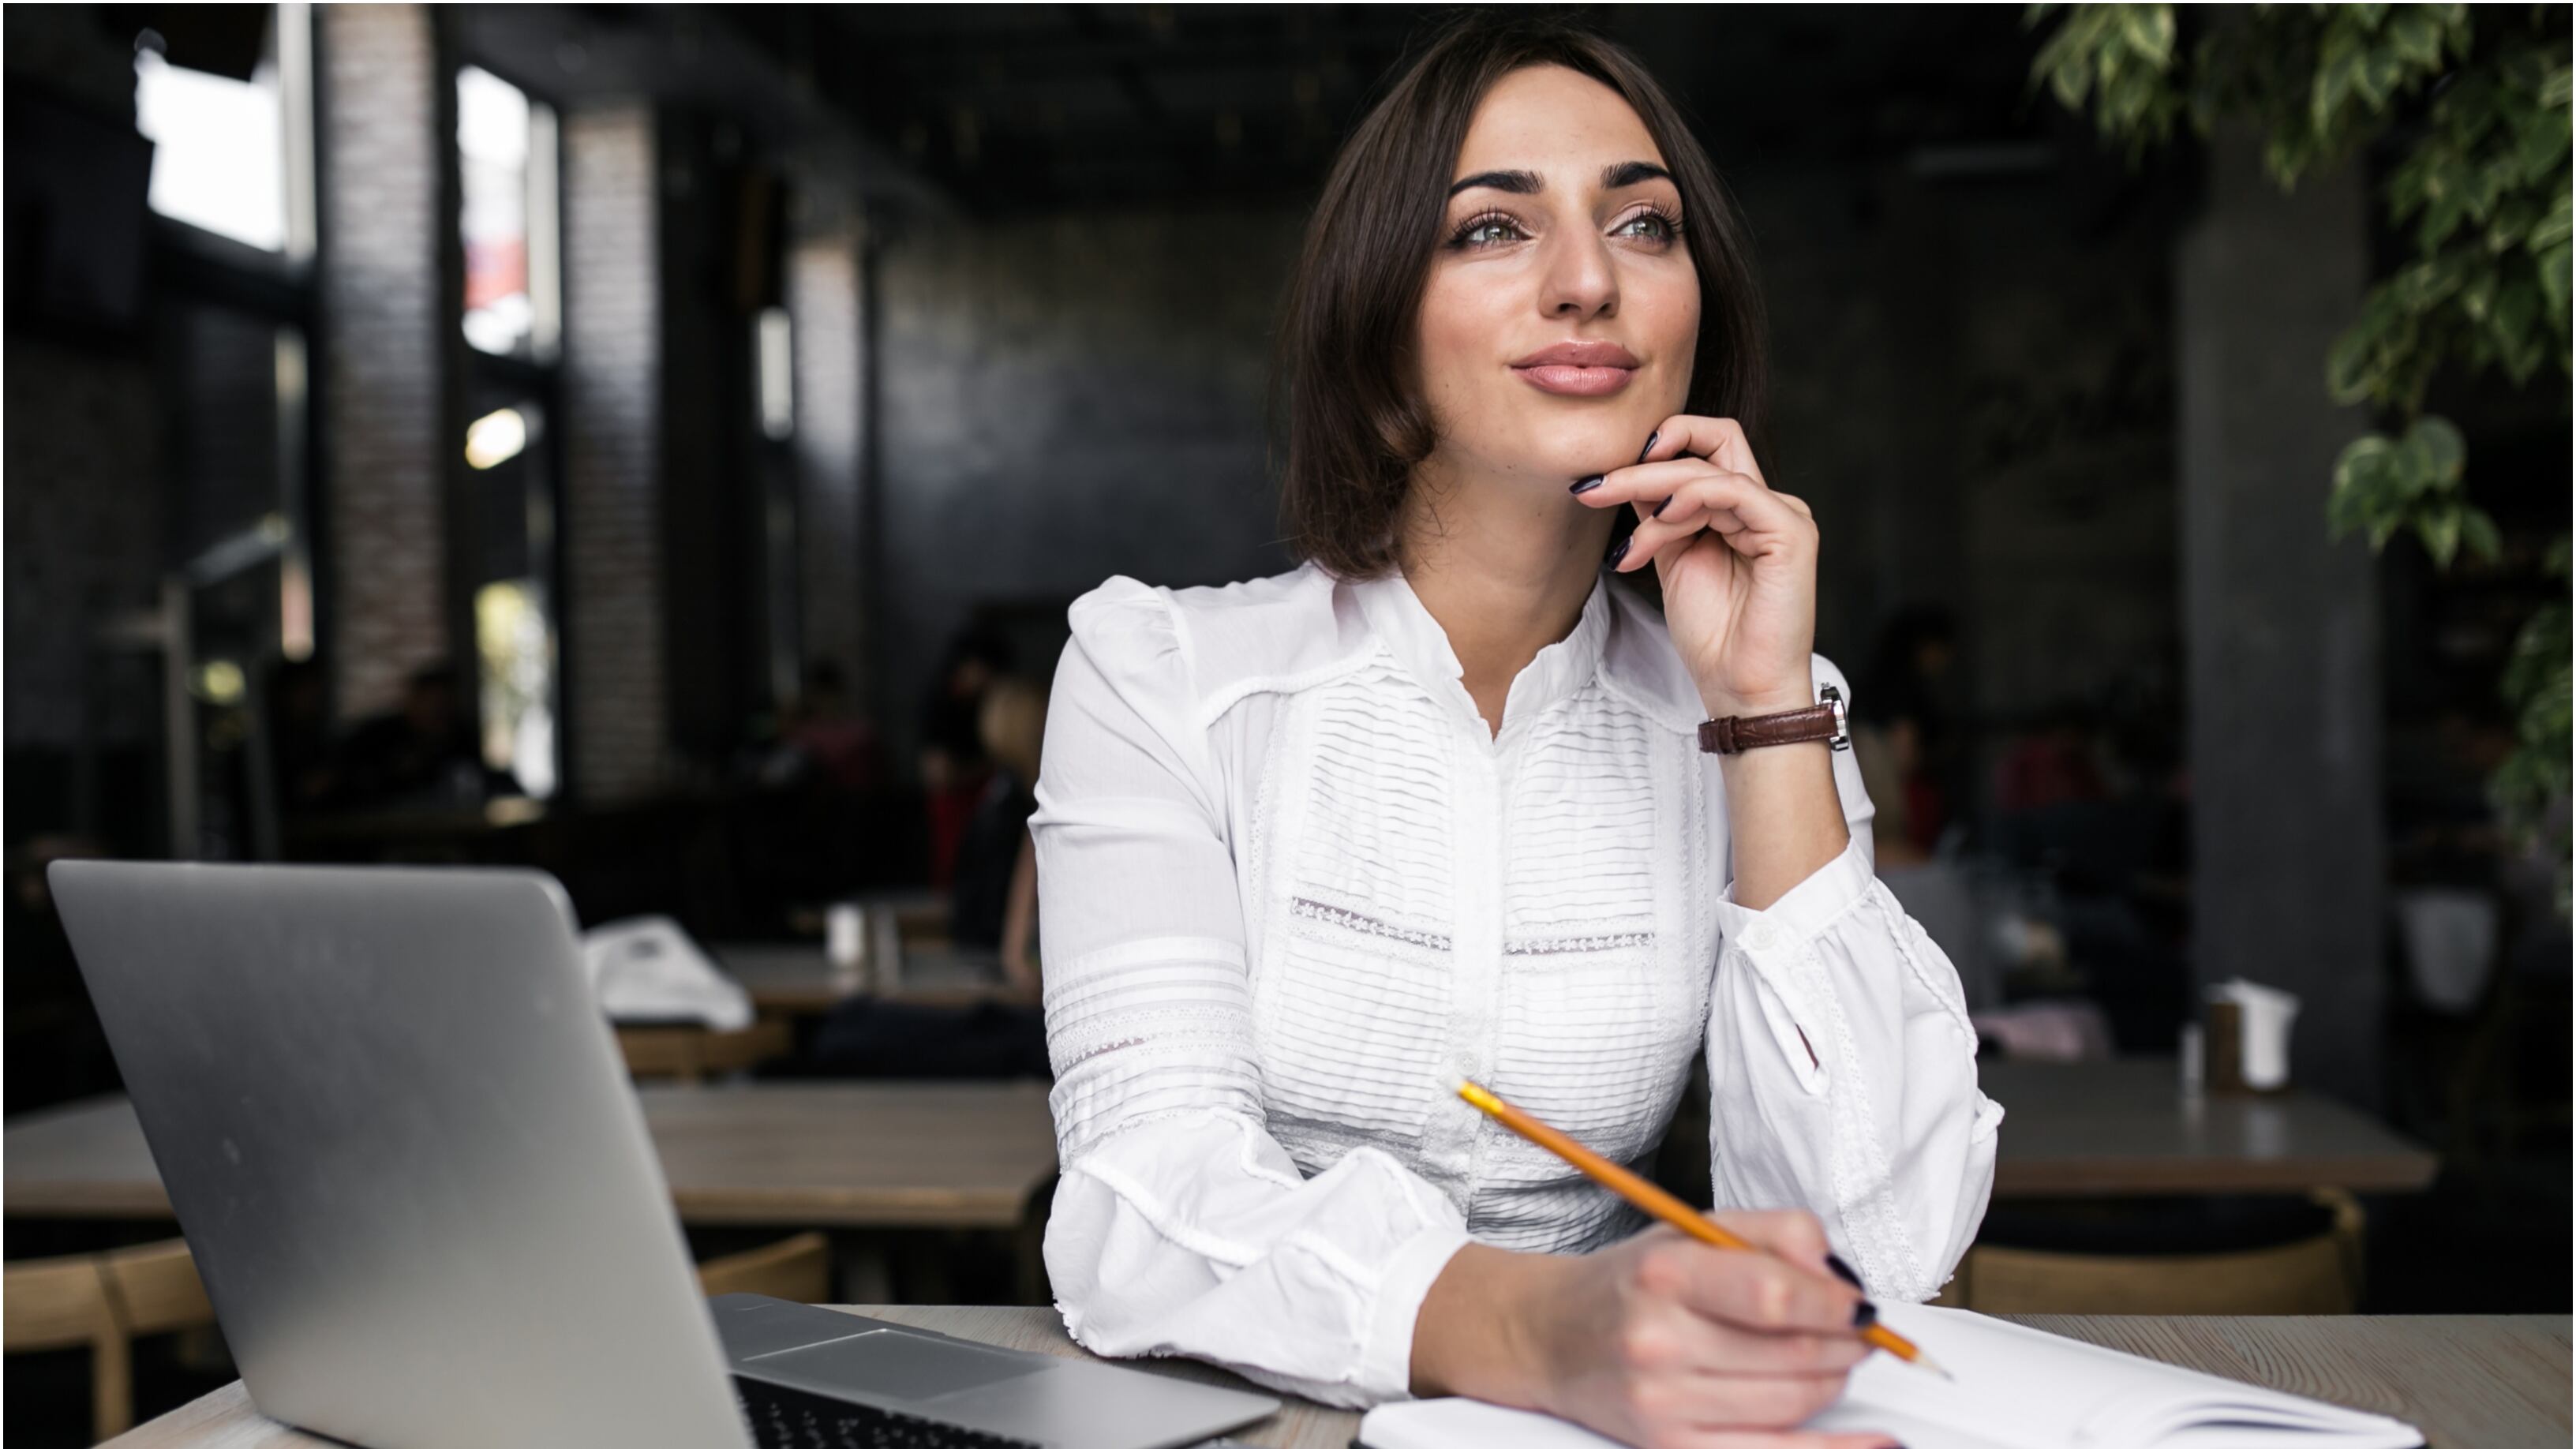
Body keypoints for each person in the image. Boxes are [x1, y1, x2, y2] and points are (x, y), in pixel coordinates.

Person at [1030, 19, 1998, 1448]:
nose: (1589, 280)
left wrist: (1762, 711)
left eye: (1643, 224)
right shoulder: (1161, 679)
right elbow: (1143, 1198)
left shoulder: (1771, 703)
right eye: (1493, 227)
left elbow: (1879, 1259)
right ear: (1380, 320)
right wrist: (1548, 1330)